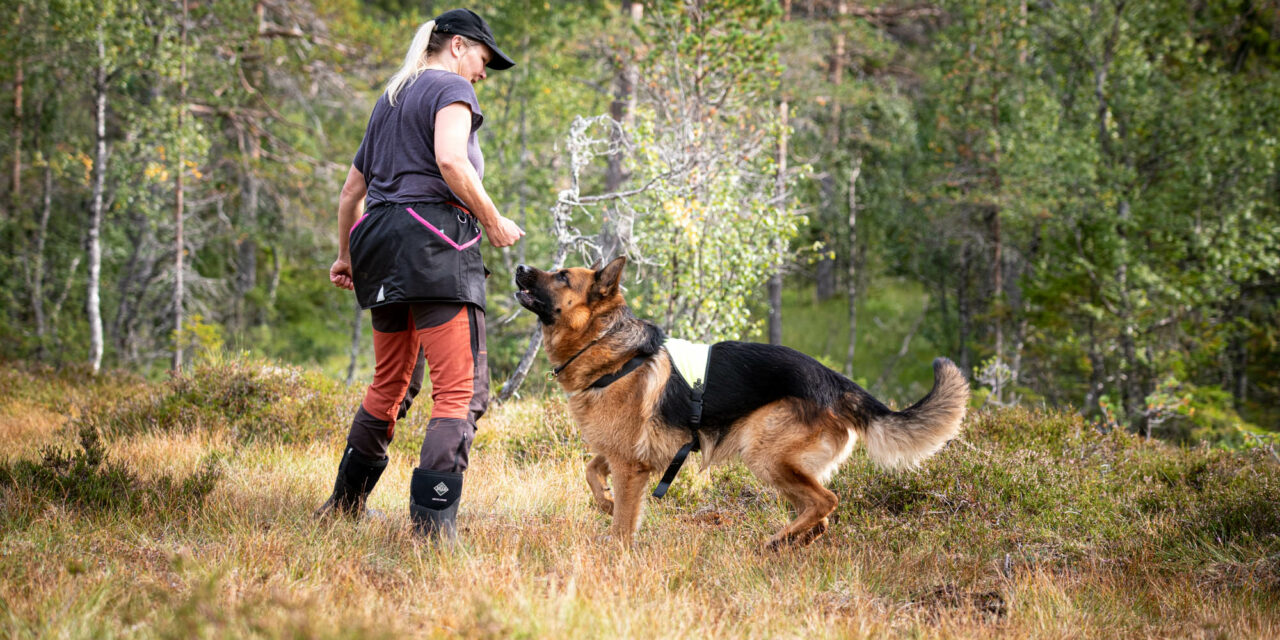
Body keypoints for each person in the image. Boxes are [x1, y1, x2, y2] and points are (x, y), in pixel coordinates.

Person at [318, 8, 524, 541]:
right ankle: (432, 528)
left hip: (379, 244)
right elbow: (452, 162)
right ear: (457, 45)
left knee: (389, 383)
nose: (483, 73)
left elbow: (350, 193)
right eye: (483, 59)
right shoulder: (449, 91)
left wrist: (346, 257)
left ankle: (343, 508)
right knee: (460, 391)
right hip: (434, 243)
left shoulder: (389, 98)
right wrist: (493, 219)